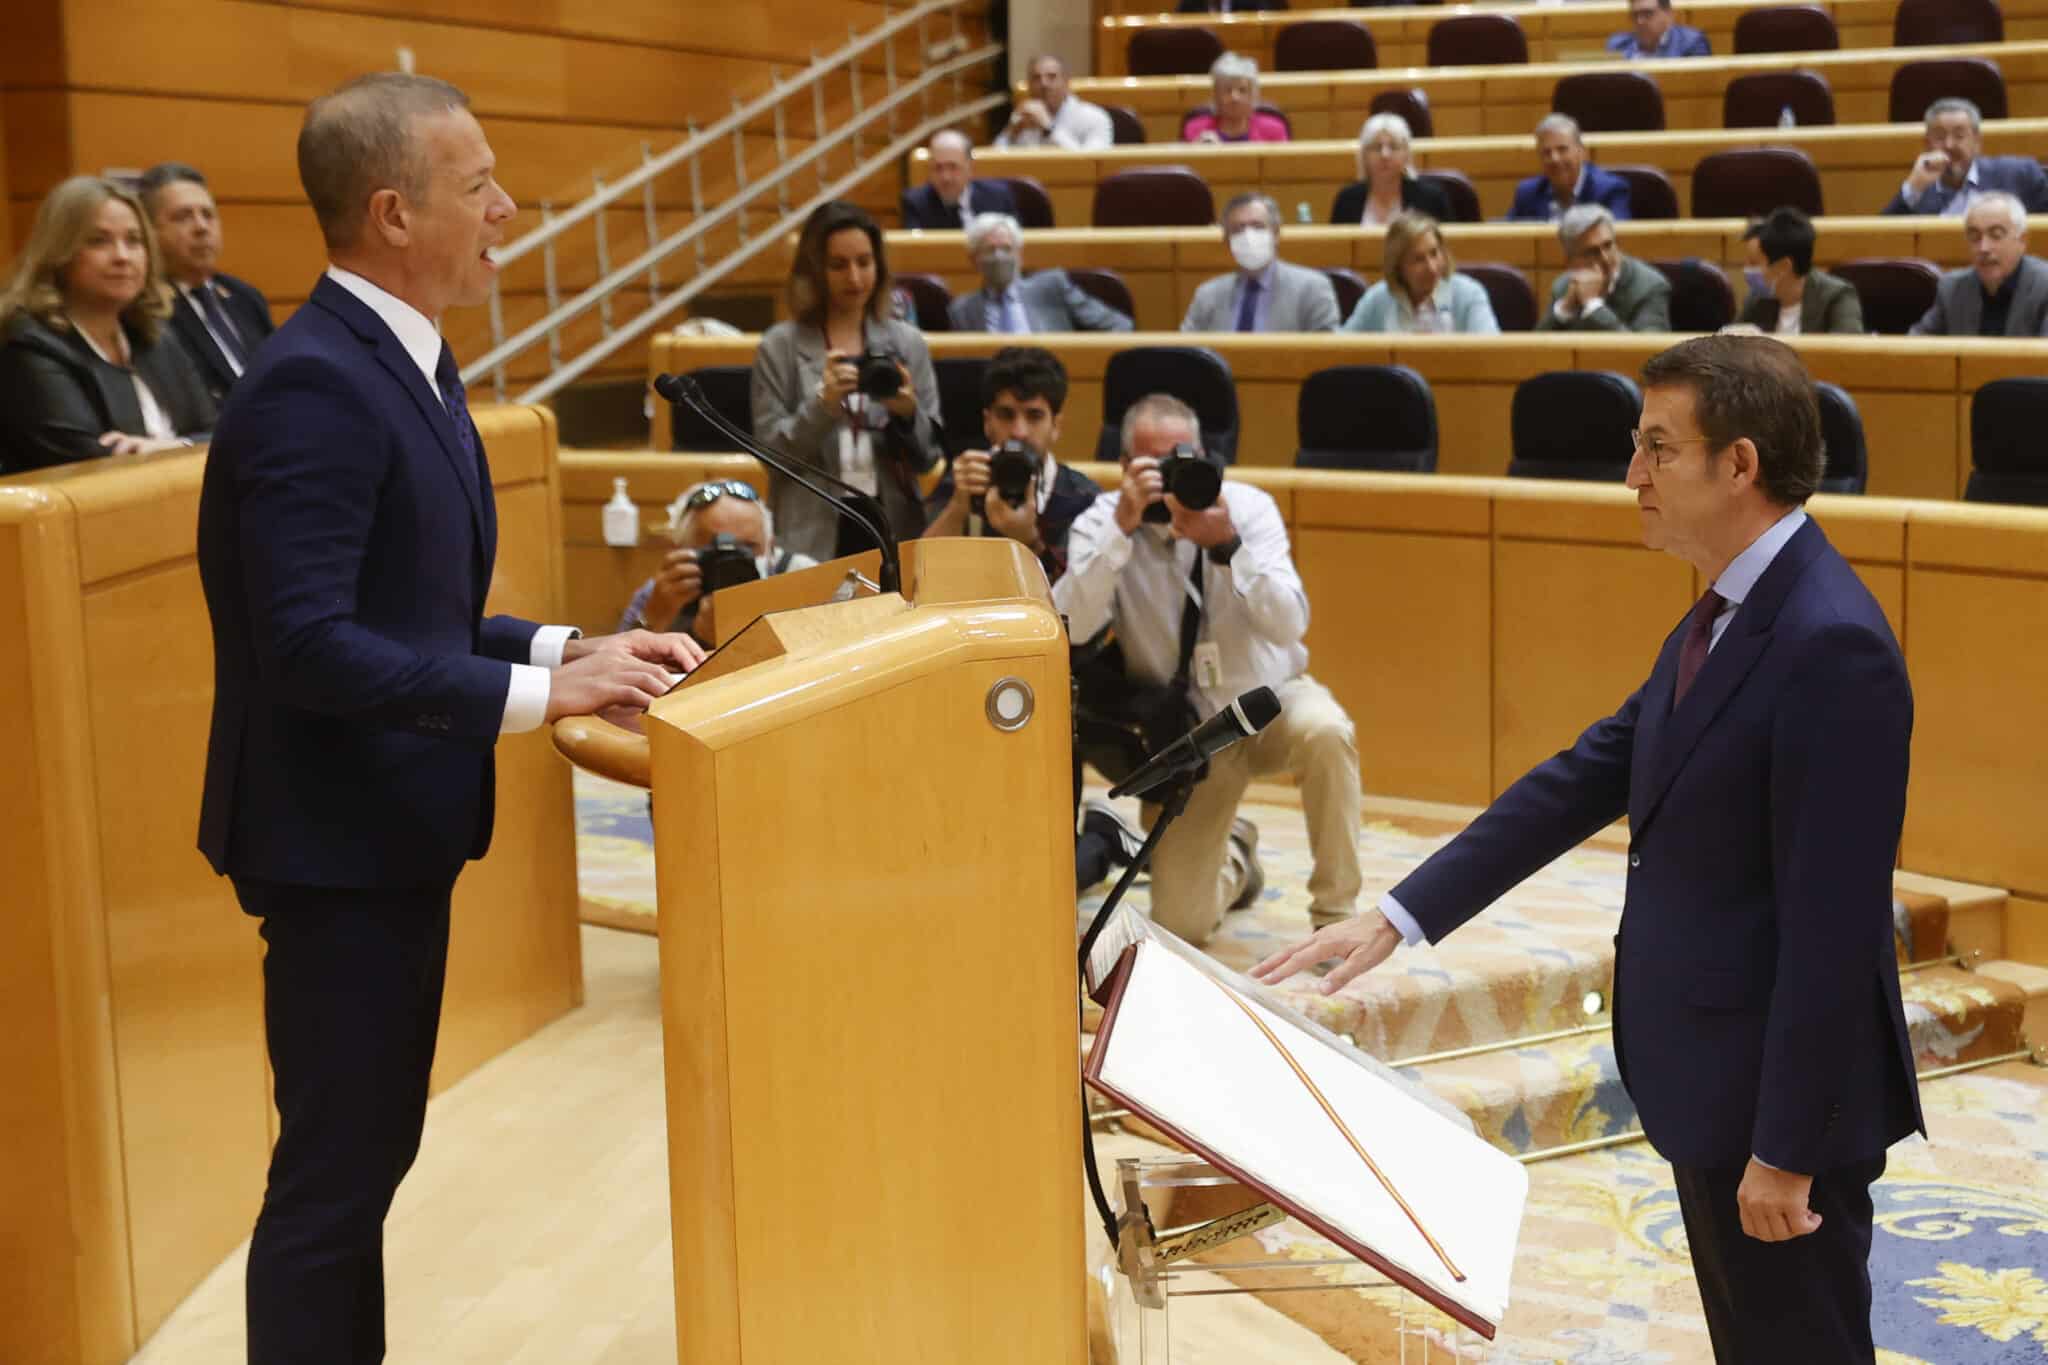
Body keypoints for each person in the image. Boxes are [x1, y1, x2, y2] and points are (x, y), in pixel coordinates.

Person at [1254, 334, 1923, 1365]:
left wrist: (1783, 1155)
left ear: (1737, 464)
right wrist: (1396, 916)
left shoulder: (1827, 642)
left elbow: (1831, 932)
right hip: (1714, 1079)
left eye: (1658, 448)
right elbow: (1587, 774)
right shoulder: (1729, 609)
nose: (1632, 475)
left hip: (1778, 1109)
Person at [194, 73, 705, 1363]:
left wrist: (568, 644)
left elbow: (409, 613)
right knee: (333, 1182)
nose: (506, 210)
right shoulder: (315, 385)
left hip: (386, 836)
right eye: (478, 186)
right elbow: (307, 645)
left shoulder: (403, 362)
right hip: (331, 844)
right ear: (393, 212)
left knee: (362, 1160)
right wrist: (540, 697)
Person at [1055, 394, 1363, 945]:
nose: (1171, 477)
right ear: (1125, 467)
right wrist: (1120, 533)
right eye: (1153, 463)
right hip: (1196, 735)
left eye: (1182, 458)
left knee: (1328, 732)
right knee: (1180, 926)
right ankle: (1238, 857)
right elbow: (1070, 625)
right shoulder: (1101, 522)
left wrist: (1228, 546)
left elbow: (1290, 623)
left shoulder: (1247, 508)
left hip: (1273, 700)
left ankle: (1335, 915)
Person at [750, 200, 942, 561]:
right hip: (812, 530)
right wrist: (821, 408)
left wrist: (906, 415)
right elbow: (771, 456)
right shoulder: (780, 347)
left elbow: (929, 458)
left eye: (864, 263)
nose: (854, 278)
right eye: (839, 265)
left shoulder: (907, 343)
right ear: (814, 270)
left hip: (893, 525)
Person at [0, 175, 216, 474]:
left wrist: (172, 448)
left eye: (134, 240)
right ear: (59, 252)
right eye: (98, 241)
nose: (122, 257)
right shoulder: (28, 345)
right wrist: (182, 449)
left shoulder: (154, 337)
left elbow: (220, 432)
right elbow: (84, 462)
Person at [923, 344, 1102, 579]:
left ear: (1056, 426)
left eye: (1034, 416)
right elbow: (918, 580)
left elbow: (1082, 601)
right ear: (987, 422)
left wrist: (1029, 541)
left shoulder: (1083, 499)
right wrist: (957, 509)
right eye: (1006, 415)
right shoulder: (962, 483)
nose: (1019, 432)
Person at [138, 161, 276, 406]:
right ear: (149, 231)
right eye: (183, 217)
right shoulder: (147, 309)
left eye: (208, 214)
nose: (202, 227)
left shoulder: (244, 296)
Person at [619, 480, 818, 648]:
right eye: (716, 548)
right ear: (679, 549)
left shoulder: (800, 577)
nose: (732, 561)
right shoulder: (664, 592)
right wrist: (652, 619)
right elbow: (620, 671)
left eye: (748, 547)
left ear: (771, 547)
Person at [1182, 193, 1340, 332]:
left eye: (1257, 226)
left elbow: (1326, 356)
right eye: (1238, 229)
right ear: (1227, 241)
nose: (1248, 236)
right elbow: (1188, 355)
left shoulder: (1313, 289)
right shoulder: (1207, 295)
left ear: (1276, 233)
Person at [948, 213, 1133, 333]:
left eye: (1006, 248)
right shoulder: (961, 311)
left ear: (1019, 255)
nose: (999, 257)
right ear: (973, 260)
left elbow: (1120, 326)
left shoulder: (1052, 286)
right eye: (989, 250)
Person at [1909, 193, 2048, 337]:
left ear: (2022, 240)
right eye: (1974, 237)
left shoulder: (2044, 285)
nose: (1984, 248)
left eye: (1996, 235)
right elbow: (1916, 347)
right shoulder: (1952, 288)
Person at [1882, 98, 2048, 218]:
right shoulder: (1917, 194)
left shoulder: (2019, 175)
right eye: (1939, 137)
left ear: (1977, 141)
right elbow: (1882, 240)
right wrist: (1913, 188)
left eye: (1959, 135)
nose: (1949, 145)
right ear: (1926, 144)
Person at [1343, 211, 1501, 334]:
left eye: (1434, 253)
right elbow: (1342, 347)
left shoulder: (1468, 294)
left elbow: (1491, 353)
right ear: (1398, 265)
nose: (1432, 267)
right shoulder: (1378, 299)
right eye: (1418, 260)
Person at [1536, 204, 1672, 332]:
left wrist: (1594, 306)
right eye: (1592, 252)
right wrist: (1564, 309)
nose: (1605, 258)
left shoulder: (1650, 287)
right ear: (1571, 261)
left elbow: (1650, 353)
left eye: (1608, 245)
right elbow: (1535, 353)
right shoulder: (1563, 286)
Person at [1736, 207, 1864, 336]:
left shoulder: (1837, 297)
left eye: (1753, 263)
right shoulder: (1757, 299)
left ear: (1784, 266)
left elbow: (1844, 352)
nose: (1746, 269)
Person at [1328, 113, 1453, 226]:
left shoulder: (1431, 199)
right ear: (1364, 156)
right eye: (1376, 147)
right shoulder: (1346, 201)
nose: (1385, 155)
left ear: (1406, 155)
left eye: (1393, 147)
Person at [1506, 115, 1634, 223]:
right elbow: (1510, 238)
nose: (1554, 159)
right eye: (1546, 152)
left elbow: (1618, 240)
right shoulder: (1528, 193)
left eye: (1562, 149)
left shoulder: (1610, 191)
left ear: (1582, 152)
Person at [899, 130, 1017, 231]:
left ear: (970, 167)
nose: (946, 177)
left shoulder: (998, 196)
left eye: (953, 167)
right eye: (938, 168)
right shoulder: (916, 202)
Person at [995, 54, 1114, 151]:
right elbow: (995, 162)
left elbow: (1089, 165)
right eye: (1036, 78)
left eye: (1052, 77)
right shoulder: (1023, 117)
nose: (1044, 84)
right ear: (1029, 86)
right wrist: (1011, 132)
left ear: (1066, 83)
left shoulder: (1095, 117)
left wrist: (1049, 129)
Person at [1182, 54, 1288, 144]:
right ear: (1216, 96)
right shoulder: (1195, 129)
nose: (1234, 97)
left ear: (1253, 96)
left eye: (1242, 90)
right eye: (1227, 90)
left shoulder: (1274, 131)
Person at [1607, 0, 1712, 58]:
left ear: (1669, 15)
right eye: (1635, 15)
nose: (1640, 21)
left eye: (1648, 13)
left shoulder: (1692, 42)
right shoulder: (1618, 44)